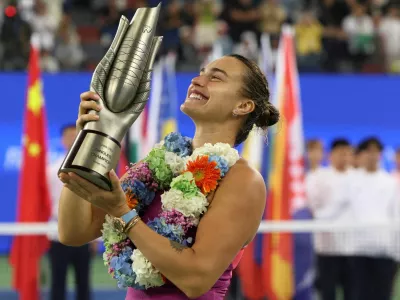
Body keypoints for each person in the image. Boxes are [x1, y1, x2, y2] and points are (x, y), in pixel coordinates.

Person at [56, 54, 280, 299]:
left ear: (243, 106)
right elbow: (73, 232)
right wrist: (88, 140)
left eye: (215, 77)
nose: (197, 80)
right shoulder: (158, 164)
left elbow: (196, 279)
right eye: (201, 72)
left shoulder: (243, 180)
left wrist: (124, 214)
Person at [47, 124, 97, 300]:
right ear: (62, 140)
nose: (71, 139)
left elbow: (94, 202)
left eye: (75, 136)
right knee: (57, 282)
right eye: (68, 136)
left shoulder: (91, 170)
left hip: (83, 232)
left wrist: (94, 237)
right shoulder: (51, 170)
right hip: (56, 233)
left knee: (83, 282)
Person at [349, 137, 400, 300]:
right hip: (358, 249)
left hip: (384, 250)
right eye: (368, 152)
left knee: (383, 294)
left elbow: (396, 213)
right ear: (362, 154)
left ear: (380, 155)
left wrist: (396, 250)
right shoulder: (352, 180)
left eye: (376, 152)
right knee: (359, 294)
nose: (372, 156)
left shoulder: (390, 181)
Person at [306, 138, 356, 300]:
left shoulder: (358, 178)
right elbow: (313, 209)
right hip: (327, 248)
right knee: (328, 292)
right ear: (331, 155)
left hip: (354, 248)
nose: (344, 157)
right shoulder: (319, 177)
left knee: (353, 292)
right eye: (340, 153)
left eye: (347, 153)